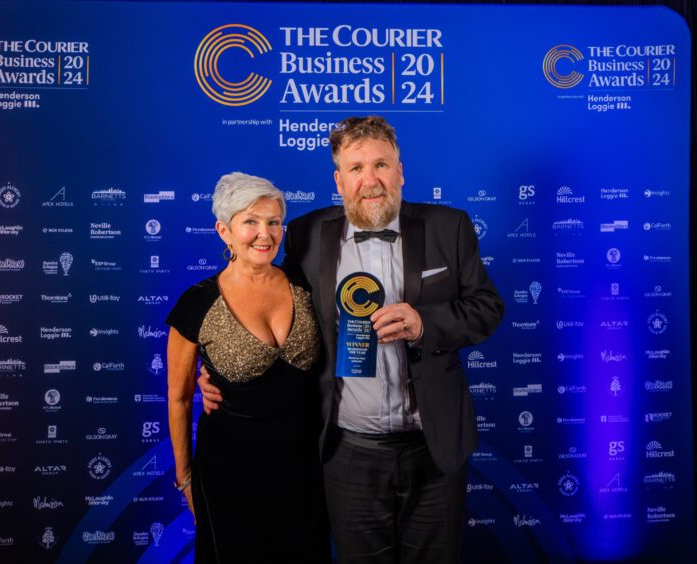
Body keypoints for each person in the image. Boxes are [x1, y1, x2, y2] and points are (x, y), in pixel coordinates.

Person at [201, 116, 504, 563]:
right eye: (356, 168)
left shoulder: (449, 227)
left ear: (400, 171)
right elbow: (281, 318)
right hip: (347, 452)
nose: (371, 180)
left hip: (434, 448)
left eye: (381, 165)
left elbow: (486, 308)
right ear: (338, 180)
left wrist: (424, 323)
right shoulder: (305, 235)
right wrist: (224, 374)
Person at [165, 172, 330, 563]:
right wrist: (185, 477)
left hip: (305, 465)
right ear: (224, 231)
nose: (264, 234)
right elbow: (179, 398)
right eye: (250, 222)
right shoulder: (197, 303)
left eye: (273, 222)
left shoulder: (306, 283)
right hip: (230, 470)